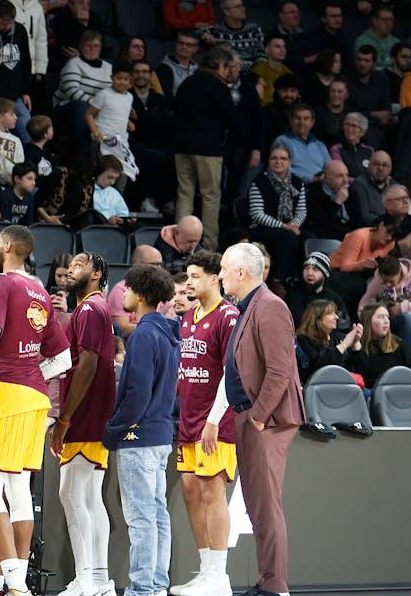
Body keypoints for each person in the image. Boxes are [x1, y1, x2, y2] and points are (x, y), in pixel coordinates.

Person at [0, 225, 70, 596]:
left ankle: (14, 584)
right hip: (35, 399)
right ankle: (12, 582)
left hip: (5, 396)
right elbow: (63, 357)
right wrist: (33, 373)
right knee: (20, 489)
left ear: (8, 246)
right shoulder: (41, 290)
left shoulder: (3, 284)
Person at [218, 242, 305, 596]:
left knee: (266, 506)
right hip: (251, 417)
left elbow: (280, 370)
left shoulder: (270, 307)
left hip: (265, 421)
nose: (220, 274)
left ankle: (276, 587)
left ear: (242, 272)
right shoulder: (250, 306)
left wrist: (257, 417)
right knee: (258, 506)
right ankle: (270, 581)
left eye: (224, 268)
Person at [104, 263, 178, 596]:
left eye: (129, 290)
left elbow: (137, 394)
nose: (125, 295)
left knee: (141, 517)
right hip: (159, 435)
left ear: (143, 294)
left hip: (140, 437)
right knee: (157, 515)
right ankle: (157, 585)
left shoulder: (145, 335)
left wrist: (113, 430)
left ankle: (143, 588)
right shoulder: (167, 334)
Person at [169, 251, 240, 596]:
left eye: (195, 276)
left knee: (213, 492)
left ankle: (220, 576)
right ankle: (206, 569)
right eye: (188, 276)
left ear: (214, 278)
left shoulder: (228, 316)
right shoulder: (189, 316)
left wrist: (213, 420)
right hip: (188, 419)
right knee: (190, 491)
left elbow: (232, 373)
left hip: (217, 422)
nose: (189, 282)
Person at [50, 252, 115, 596]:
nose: (71, 270)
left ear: (97, 272)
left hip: (86, 414)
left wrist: (64, 419)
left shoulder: (90, 309)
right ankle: (99, 578)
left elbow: (87, 365)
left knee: (72, 494)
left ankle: (86, 578)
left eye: (79, 265)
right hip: (95, 413)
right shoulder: (93, 309)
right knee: (89, 496)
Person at [173, 48, 234, 251]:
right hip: (208, 149)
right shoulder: (220, 87)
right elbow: (230, 118)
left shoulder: (186, 83)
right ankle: (208, 244)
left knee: (185, 193)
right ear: (219, 66)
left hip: (181, 146)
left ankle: (179, 241)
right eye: (228, 68)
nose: (228, 73)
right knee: (210, 195)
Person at [247, 142, 307, 281]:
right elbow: (257, 214)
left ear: (290, 162)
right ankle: (279, 280)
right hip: (263, 228)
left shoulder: (297, 183)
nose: (278, 161)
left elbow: (302, 211)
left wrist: (294, 225)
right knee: (287, 238)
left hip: (290, 227)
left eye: (283, 158)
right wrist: (285, 226)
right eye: (274, 158)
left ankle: (301, 280)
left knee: (307, 237)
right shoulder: (259, 182)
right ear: (268, 161)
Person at [358, 255, 411, 349]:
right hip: (390, 317)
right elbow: (363, 305)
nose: (387, 284)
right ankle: (407, 359)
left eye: (391, 281)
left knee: (408, 318)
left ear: (399, 272)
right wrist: (365, 320)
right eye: (384, 281)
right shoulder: (377, 280)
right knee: (405, 319)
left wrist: (402, 307)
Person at [296, 299, 362, 383]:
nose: (337, 317)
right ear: (317, 318)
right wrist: (344, 345)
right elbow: (320, 366)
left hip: (344, 384)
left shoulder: (337, 337)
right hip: (318, 387)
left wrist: (355, 344)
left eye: (335, 313)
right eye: (331, 313)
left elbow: (360, 369)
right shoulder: (303, 339)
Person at [207, 0, 264, 68]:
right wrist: (205, 38)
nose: (243, 9)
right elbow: (198, 35)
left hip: (253, 72)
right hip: (228, 72)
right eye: (238, 6)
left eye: (242, 5)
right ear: (226, 11)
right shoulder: (215, 31)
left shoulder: (254, 29)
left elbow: (261, 54)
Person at [304, 160, 354, 241]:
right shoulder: (314, 194)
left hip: (349, 233)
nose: (345, 180)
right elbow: (321, 225)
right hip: (329, 236)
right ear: (326, 177)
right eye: (339, 176)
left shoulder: (351, 191)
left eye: (347, 175)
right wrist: (337, 203)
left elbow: (358, 219)